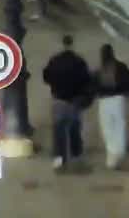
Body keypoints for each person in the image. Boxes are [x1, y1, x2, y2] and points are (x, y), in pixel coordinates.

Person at [44, 33, 95, 170]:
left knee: (59, 130)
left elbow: (46, 76)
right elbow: (87, 80)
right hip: (75, 101)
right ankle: (76, 155)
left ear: (63, 44)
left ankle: (59, 158)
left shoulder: (54, 60)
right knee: (74, 130)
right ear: (72, 44)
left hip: (59, 100)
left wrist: (55, 86)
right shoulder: (79, 61)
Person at [98, 44, 129, 170]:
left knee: (107, 128)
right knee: (119, 125)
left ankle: (111, 156)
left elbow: (92, 85)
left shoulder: (100, 69)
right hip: (118, 100)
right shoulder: (120, 67)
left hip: (104, 101)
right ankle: (119, 151)